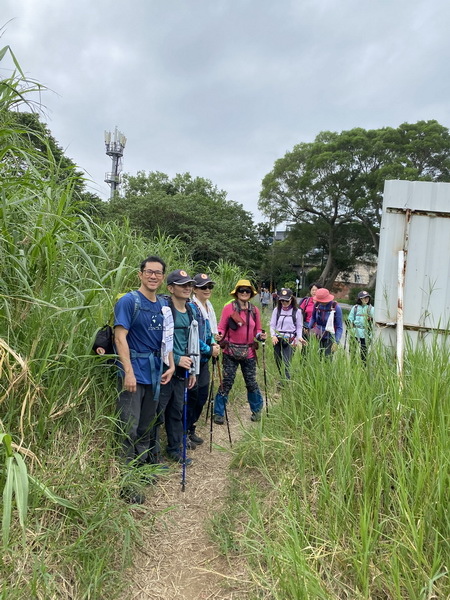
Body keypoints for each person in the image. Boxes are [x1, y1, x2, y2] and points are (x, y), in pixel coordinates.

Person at [114, 256, 175, 503]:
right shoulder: (129, 301)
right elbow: (120, 338)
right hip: (134, 375)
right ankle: (126, 481)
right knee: (128, 426)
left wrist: (169, 364)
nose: (153, 276)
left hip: (155, 373)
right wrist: (127, 371)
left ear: (162, 277)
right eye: (149, 272)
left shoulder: (163, 304)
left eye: (158, 273)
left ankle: (141, 469)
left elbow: (166, 339)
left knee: (146, 426)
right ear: (140, 274)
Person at [152, 269, 205, 465]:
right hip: (165, 370)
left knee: (176, 411)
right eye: (182, 285)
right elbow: (159, 340)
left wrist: (193, 369)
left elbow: (193, 343)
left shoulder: (191, 310)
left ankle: (174, 449)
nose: (187, 288)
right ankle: (152, 454)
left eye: (189, 284)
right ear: (171, 288)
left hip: (183, 370)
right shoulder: (164, 309)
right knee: (157, 413)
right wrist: (176, 358)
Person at [214, 279, 267, 423]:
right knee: (227, 381)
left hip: (249, 351)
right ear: (236, 293)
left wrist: (260, 336)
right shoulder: (228, 308)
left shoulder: (255, 310)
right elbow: (222, 326)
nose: (244, 293)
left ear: (251, 294)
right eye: (241, 290)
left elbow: (257, 330)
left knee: (251, 382)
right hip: (230, 351)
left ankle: (257, 411)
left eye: (247, 291)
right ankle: (218, 413)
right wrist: (219, 334)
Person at [187, 273, 220, 446]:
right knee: (191, 396)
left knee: (202, 396)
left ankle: (191, 428)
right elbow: (191, 337)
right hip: (193, 360)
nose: (207, 290)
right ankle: (183, 432)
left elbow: (209, 331)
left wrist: (214, 344)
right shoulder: (192, 307)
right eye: (203, 287)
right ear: (195, 289)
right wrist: (209, 349)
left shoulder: (208, 307)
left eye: (209, 287)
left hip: (205, 360)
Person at [270, 288, 305, 381]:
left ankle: (285, 382)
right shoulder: (276, 310)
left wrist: (299, 338)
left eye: (286, 300)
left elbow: (299, 327)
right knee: (278, 360)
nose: (284, 302)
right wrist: (273, 335)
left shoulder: (297, 312)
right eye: (282, 300)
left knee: (287, 362)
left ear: (291, 299)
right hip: (277, 339)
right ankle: (282, 378)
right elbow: (272, 325)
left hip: (290, 340)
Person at [307, 288, 343, 357]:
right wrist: (308, 328)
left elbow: (339, 327)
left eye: (323, 301)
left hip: (330, 337)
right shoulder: (317, 305)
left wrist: (336, 342)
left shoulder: (336, 307)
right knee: (315, 357)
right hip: (317, 336)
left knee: (327, 358)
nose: (322, 302)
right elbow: (313, 317)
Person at [347, 290, 374, 362]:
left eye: (367, 298)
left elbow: (374, 321)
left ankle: (363, 368)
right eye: (363, 298)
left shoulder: (371, 309)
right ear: (360, 299)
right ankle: (353, 366)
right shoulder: (355, 308)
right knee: (352, 351)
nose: (366, 299)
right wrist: (350, 325)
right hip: (354, 332)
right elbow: (350, 319)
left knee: (364, 353)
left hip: (365, 333)